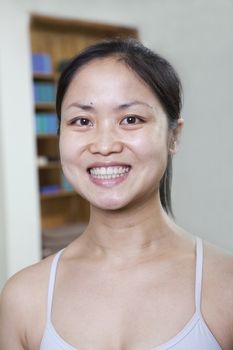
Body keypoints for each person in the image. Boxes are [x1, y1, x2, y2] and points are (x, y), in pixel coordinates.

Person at [0, 38, 233, 350]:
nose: (105, 145)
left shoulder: (226, 288)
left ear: (173, 136)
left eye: (131, 119)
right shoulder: (23, 297)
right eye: (82, 121)